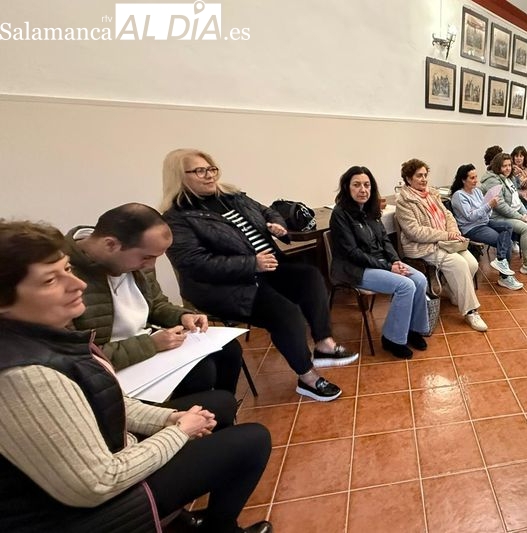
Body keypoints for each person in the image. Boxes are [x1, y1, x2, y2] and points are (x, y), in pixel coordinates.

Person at [0, 220, 272, 533]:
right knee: (252, 439)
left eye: (67, 269)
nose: (78, 286)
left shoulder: (39, 335)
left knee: (220, 400)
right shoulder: (23, 377)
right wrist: (178, 431)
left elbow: (103, 401)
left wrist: (169, 419)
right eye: (50, 280)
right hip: (87, 509)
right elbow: (98, 483)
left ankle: (183, 513)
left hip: (113, 447)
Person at [160, 148, 357, 402]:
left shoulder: (231, 196)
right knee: (285, 313)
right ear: (179, 176)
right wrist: (251, 264)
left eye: (212, 169)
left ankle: (324, 344)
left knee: (310, 276)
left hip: (267, 269)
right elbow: (195, 264)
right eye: (200, 171)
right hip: (228, 287)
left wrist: (277, 225)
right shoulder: (177, 218)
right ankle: (308, 378)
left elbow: (267, 210)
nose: (209, 176)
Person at [67, 203, 242, 398]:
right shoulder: (66, 277)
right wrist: (151, 345)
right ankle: (192, 421)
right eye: (147, 257)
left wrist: (183, 316)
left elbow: (156, 304)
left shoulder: (134, 262)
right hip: (117, 364)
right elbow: (82, 356)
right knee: (202, 373)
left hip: (147, 344)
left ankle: (216, 417)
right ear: (110, 245)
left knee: (229, 350)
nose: (150, 265)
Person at [330, 166, 429, 359]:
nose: (362, 190)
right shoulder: (340, 214)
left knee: (420, 279)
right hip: (355, 269)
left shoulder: (370, 210)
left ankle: (412, 330)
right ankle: (392, 339)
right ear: (346, 187)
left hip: (381, 262)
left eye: (366, 185)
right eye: (356, 185)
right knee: (405, 285)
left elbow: (385, 240)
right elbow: (352, 252)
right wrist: (388, 266)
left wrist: (395, 261)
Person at [395, 158, 488, 332]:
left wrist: (453, 232)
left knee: (472, 263)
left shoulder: (432, 194)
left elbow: (448, 216)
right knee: (459, 264)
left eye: (425, 175)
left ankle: (452, 291)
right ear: (408, 179)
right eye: (418, 176)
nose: (423, 179)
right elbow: (414, 232)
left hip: (446, 242)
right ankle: (471, 312)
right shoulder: (404, 202)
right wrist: (446, 235)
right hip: (423, 246)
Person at [450, 164, 524, 292]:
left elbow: (485, 211)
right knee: (503, 240)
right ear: (463, 180)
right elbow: (471, 217)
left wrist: (489, 207)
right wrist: (488, 205)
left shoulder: (477, 191)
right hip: (471, 228)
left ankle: (501, 263)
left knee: (508, 227)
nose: (475, 181)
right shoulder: (459, 196)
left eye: (476, 177)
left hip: (485, 222)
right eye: (472, 178)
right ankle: (504, 276)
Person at [480, 152, 527, 279]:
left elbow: (516, 200)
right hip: (497, 217)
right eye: (504, 166)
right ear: (498, 167)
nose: (507, 168)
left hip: (512, 213)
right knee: (526, 228)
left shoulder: (509, 178)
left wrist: (524, 213)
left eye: (509, 165)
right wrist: (519, 217)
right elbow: (500, 206)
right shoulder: (493, 180)